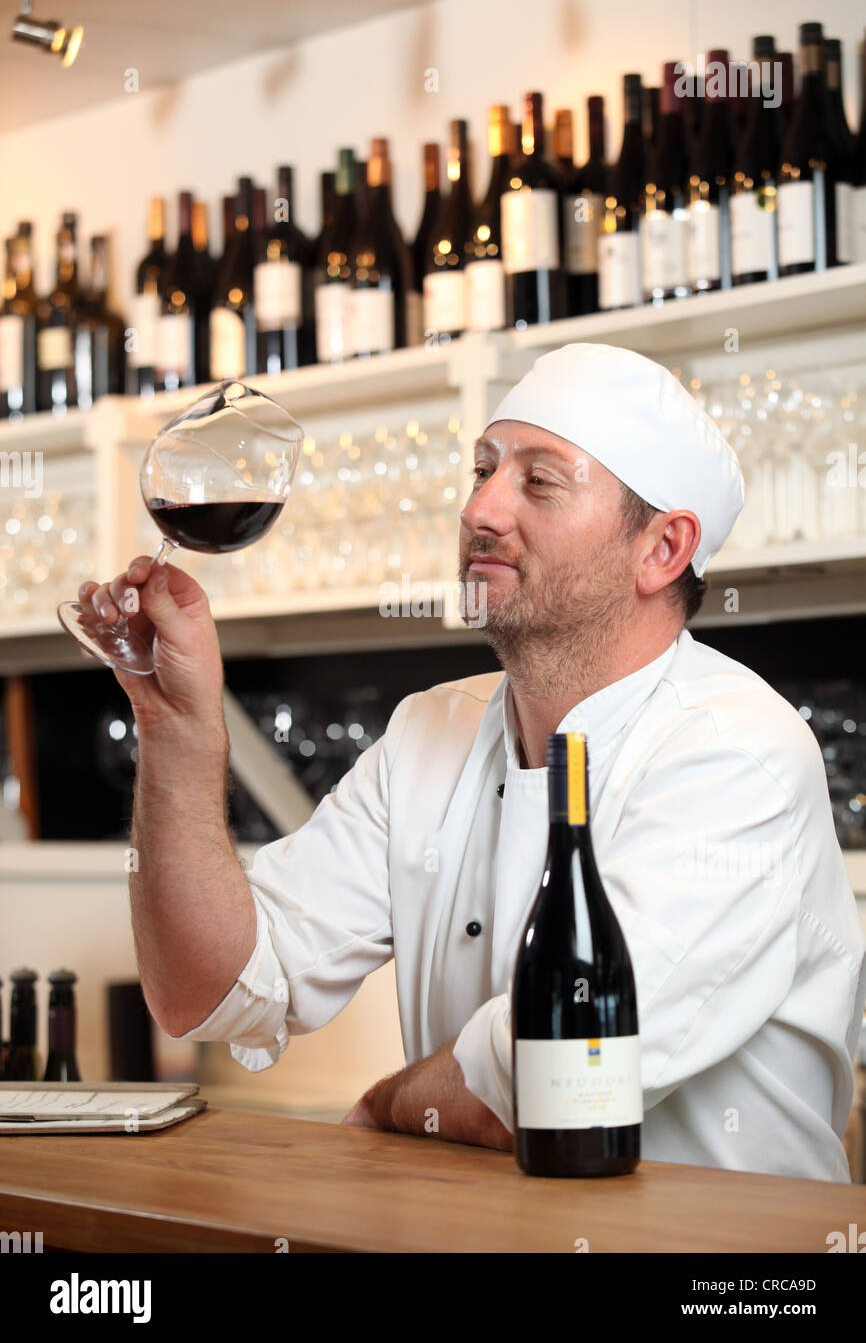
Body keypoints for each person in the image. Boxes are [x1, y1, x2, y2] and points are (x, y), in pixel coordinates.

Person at [81, 342, 866, 1180]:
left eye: (539, 482)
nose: (482, 510)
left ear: (663, 550)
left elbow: (568, 1064)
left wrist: (390, 1107)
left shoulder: (738, 750)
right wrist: (175, 727)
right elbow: (208, 992)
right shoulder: (429, 731)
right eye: (483, 470)